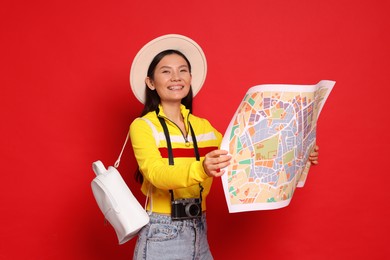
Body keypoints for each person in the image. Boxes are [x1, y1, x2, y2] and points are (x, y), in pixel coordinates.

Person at [128, 34, 319, 260]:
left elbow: (243, 154)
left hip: (199, 228)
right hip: (162, 232)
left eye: (182, 70)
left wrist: (298, 153)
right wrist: (202, 169)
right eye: (166, 71)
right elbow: (156, 174)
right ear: (151, 82)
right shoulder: (143, 126)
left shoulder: (203, 127)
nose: (176, 77)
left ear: (190, 77)